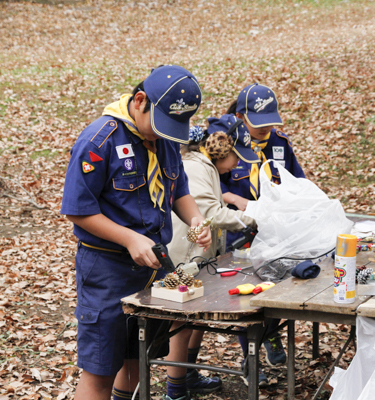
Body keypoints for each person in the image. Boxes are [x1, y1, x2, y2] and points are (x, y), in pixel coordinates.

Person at [60, 65, 212, 400]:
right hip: (107, 269)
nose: (162, 134)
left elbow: (179, 191)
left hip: (153, 265)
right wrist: (129, 238)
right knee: (100, 369)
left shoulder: (166, 139)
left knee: (137, 358)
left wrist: (197, 219)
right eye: (159, 124)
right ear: (140, 100)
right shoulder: (99, 140)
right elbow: (76, 209)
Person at [165, 114, 260, 395]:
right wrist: (254, 217)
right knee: (180, 323)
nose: (238, 164)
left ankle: (187, 377)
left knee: (194, 321)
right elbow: (211, 214)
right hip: (182, 258)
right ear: (224, 152)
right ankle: (175, 388)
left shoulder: (207, 168)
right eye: (236, 158)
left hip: (198, 257)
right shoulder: (196, 168)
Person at [219, 83, 305, 373]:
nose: (266, 128)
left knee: (277, 284)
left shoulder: (279, 143)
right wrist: (232, 197)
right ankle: (250, 360)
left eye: (270, 121)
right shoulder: (225, 142)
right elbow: (207, 184)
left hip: (276, 228)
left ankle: (270, 333)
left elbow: (298, 181)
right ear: (241, 116)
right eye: (259, 123)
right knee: (248, 294)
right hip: (239, 232)